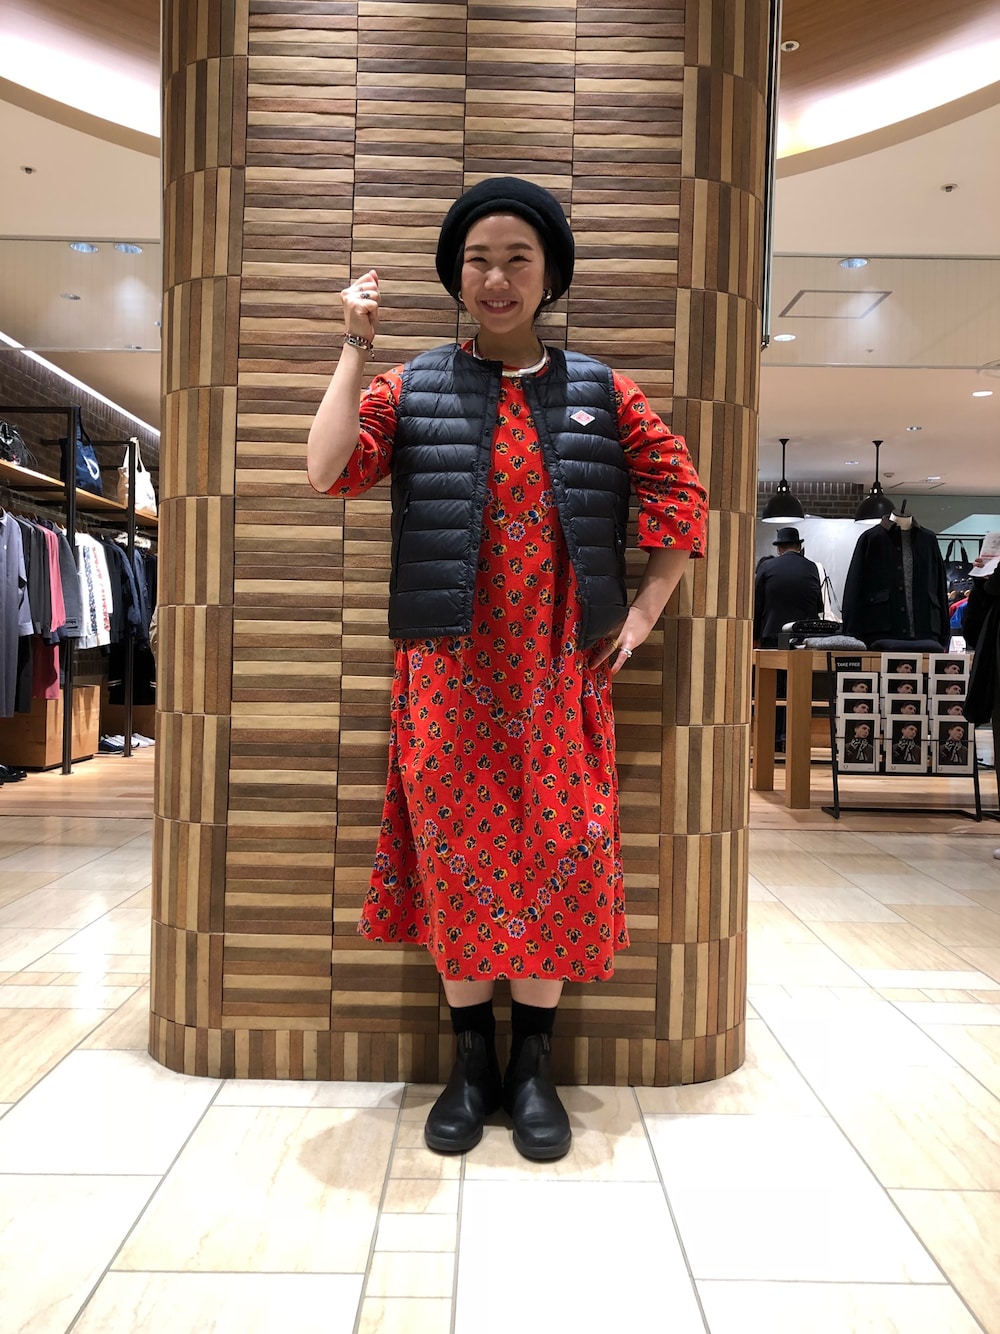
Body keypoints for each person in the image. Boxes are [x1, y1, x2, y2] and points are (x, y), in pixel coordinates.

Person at [306, 177, 707, 1161]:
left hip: (560, 672)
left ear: (548, 275)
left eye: (516, 259)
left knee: (557, 854)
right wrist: (354, 345)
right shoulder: (412, 385)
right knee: (456, 857)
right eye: (478, 260)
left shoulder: (602, 391)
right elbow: (327, 469)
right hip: (446, 672)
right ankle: (470, 1062)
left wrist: (644, 612)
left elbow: (683, 496)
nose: (496, 277)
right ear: (456, 276)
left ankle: (533, 1065)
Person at [753, 526, 823, 649]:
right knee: (800, 662)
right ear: (799, 547)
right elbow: (818, 606)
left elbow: (757, 605)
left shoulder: (766, 567)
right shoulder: (812, 567)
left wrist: (754, 636)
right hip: (803, 637)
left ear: (779, 549)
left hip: (773, 635)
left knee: (772, 662)